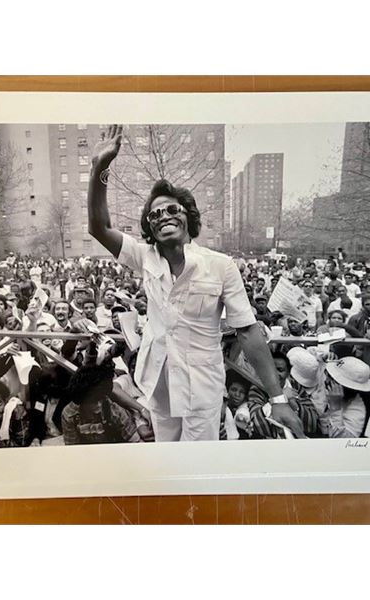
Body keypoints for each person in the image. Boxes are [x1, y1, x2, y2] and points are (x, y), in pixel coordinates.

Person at [86, 125, 304, 441]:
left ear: (188, 216)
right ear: (150, 227)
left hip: (201, 389)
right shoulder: (144, 257)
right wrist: (100, 168)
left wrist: (278, 398)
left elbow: (247, 331)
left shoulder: (221, 265)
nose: (162, 216)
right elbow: (98, 227)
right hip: (159, 384)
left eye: (171, 209)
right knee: (168, 458)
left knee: (197, 461)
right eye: (154, 215)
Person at [61, 363, 142, 445]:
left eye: (101, 399)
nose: (99, 405)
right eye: (93, 402)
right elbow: (72, 447)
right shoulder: (69, 414)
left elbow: (134, 441)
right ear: (81, 400)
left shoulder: (114, 410)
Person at [321, 357, 370, 438]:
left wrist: (335, 408)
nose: (327, 379)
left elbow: (344, 441)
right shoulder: (326, 386)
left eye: (332, 379)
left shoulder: (357, 411)